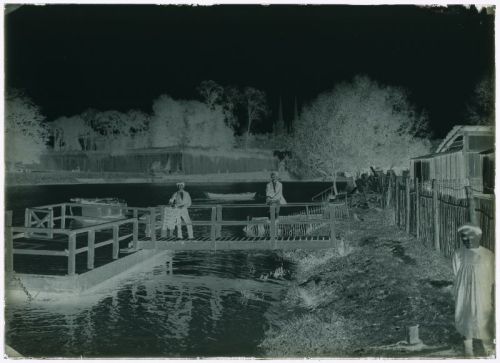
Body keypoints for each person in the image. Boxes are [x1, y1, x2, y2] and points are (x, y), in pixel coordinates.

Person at [452, 224, 495, 357]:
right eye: (464, 238)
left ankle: (488, 348)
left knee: (483, 316)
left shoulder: (488, 255)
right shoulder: (458, 254)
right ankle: (468, 350)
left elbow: (493, 276)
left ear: (478, 237)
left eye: (471, 237)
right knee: (465, 316)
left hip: (482, 292)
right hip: (463, 292)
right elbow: (456, 273)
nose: (468, 240)